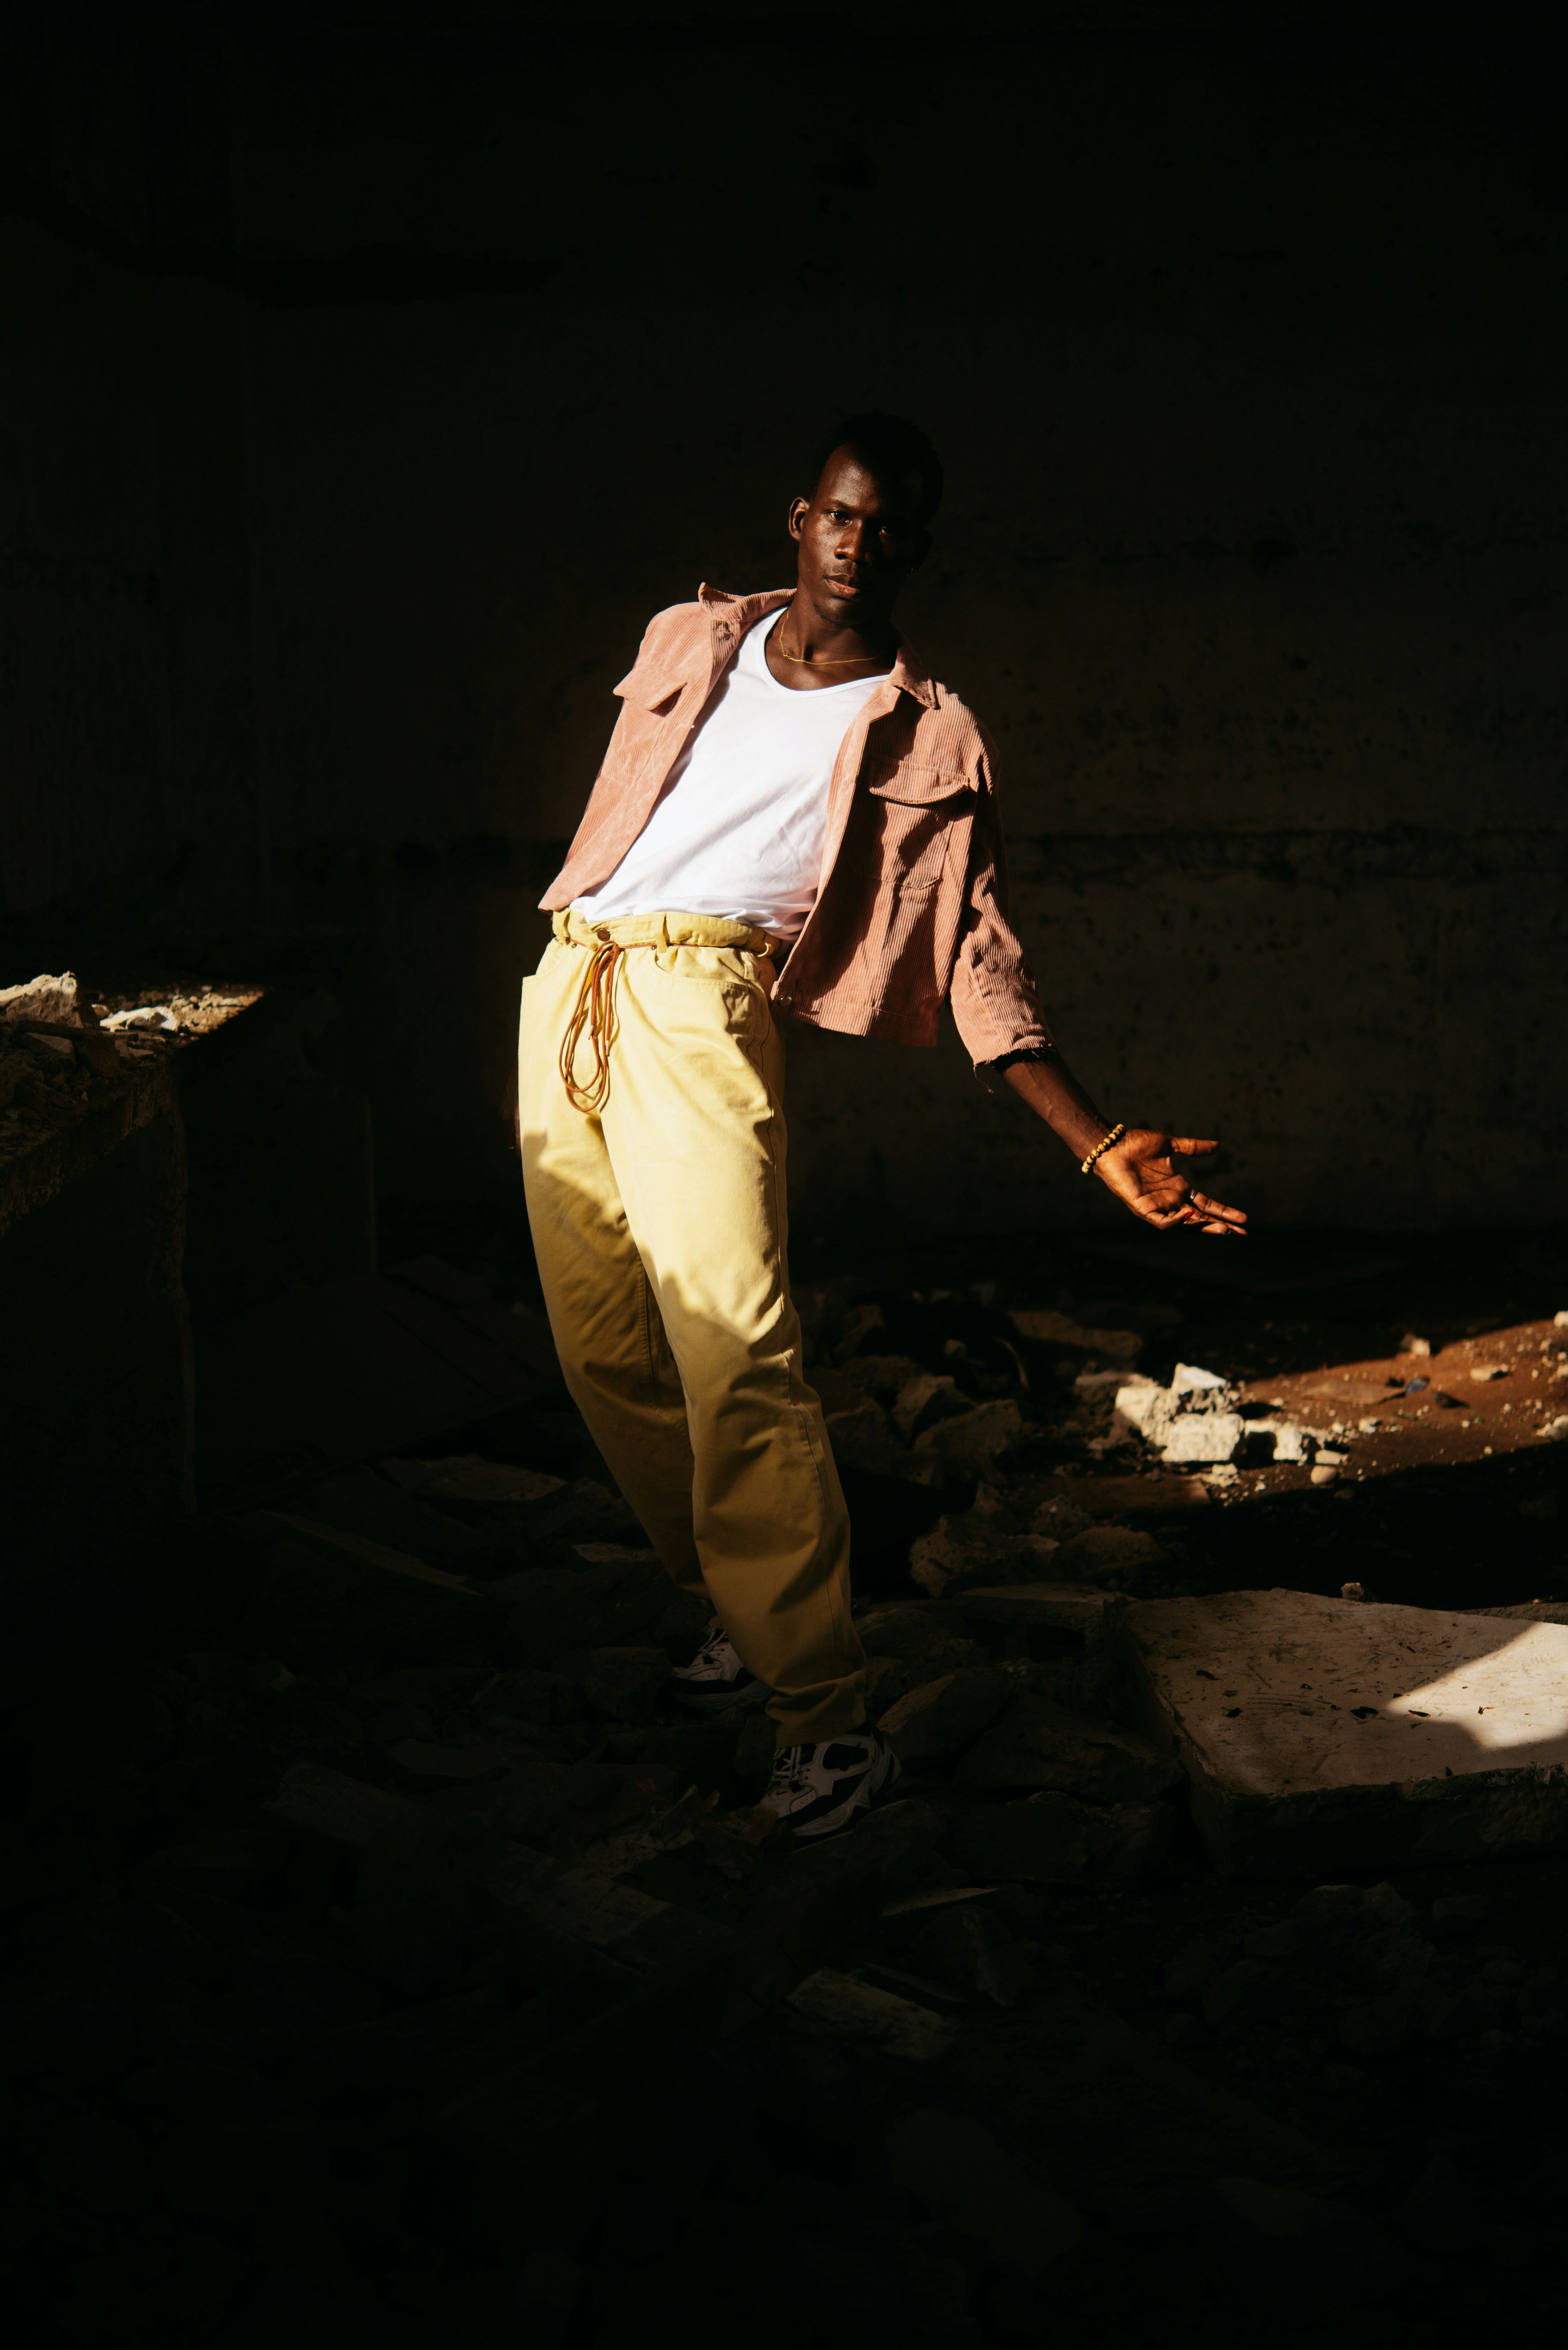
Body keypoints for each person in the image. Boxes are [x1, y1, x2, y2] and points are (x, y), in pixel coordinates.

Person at [515, 412, 1245, 1840]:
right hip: (571, 983)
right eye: (840, 516)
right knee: (602, 1351)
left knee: (739, 1359)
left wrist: (1093, 1141)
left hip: (706, 1005)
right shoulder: (689, 639)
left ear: (916, 547)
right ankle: (734, 1607)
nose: (860, 544)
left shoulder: (925, 723)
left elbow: (971, 945)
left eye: (890, 527)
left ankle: (825, 1722)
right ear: (800, 518)